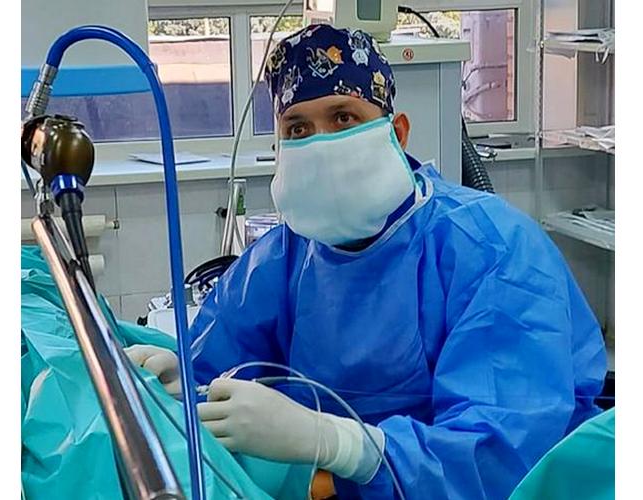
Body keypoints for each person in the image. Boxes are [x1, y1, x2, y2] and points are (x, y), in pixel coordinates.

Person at [126, 24, 607, 500]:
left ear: (397, 133)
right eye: (298, 128)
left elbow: (501, 455)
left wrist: (343, 445)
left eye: (343, 117)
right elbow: (226, 369)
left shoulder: (491, 250)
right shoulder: (284, 256)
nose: (321, 144)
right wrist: (187, 383)